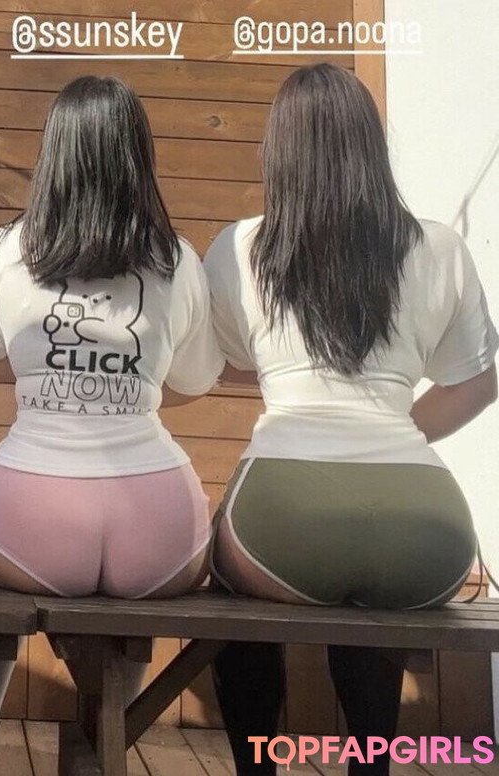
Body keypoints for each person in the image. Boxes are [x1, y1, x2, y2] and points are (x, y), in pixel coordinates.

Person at [204, 63, 496, 776]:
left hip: (281, 514)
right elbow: (478, 382)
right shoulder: (439, 247)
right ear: (372, 143)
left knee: (231, 595)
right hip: (426, 522)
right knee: (375, 601)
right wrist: (401, 432)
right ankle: (373, 767)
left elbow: (225, 363)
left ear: (279, 151)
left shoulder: (241, 247)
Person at [0, 75, 225, 772]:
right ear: (138, 156)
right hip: (155, 515)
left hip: (30, 513)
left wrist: (44, 378)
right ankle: (101, 743)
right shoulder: (177, 259)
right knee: (129, 610)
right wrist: (131, 387)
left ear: (54, 155)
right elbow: (192, 382)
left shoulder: (7, 250)